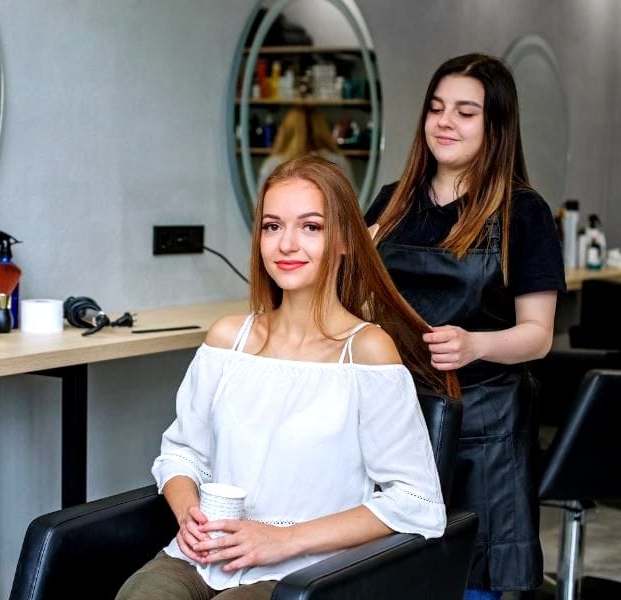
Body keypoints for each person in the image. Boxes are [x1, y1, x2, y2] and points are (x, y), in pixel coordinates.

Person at [116, 155, 457, 600]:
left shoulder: (366, 352)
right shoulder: (227, 341)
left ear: (345, 240)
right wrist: (188, 515)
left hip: (305, 571)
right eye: (272, 226)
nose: (286, 244)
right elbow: (182, 453)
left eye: (311, 227)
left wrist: (283, 540)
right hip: (202, 556)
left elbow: (415, 501)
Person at [365, 53, 566, 599]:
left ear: (496, 125)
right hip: (396, 419)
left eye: (465, 112)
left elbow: (538, 335)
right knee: (390, 575)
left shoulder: (523, 213)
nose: (445, 122)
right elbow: (358, 301)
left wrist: (475, 344)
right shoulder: (392, 202)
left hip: (484, 427)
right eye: (436, 108)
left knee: (472, 580)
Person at [257, 106, 354, 190]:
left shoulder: (273, 164)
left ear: (287, 131)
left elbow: (259, 201)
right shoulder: (338, 163)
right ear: (322, 131)